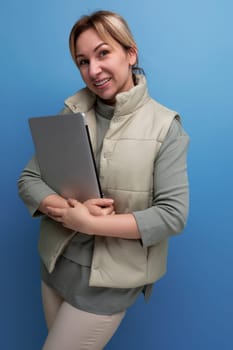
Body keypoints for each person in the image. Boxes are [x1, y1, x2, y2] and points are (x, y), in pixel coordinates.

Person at [18, 10, 189, 350]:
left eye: (103, 53)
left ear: (130, 53)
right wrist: (66, 211)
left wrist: (89, 223)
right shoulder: (72, 110)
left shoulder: (166, 127)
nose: (92, 70)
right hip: (55, 267)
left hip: (110, 283)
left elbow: (172, 215)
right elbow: (29, 179)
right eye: (82, 61)